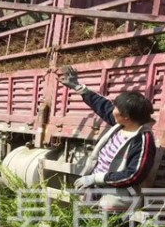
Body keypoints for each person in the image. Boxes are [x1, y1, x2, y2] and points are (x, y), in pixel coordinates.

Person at [59, 66, 156, 212]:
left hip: (120, 193)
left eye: (116, 108)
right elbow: (102, 105)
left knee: (103, 212)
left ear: (126, 116)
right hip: (99, 186)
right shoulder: (121, 125)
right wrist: (78, 87)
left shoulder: (142, 140)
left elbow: (133, 175)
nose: (113, 110)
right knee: (79, 208)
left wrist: (97, 178)